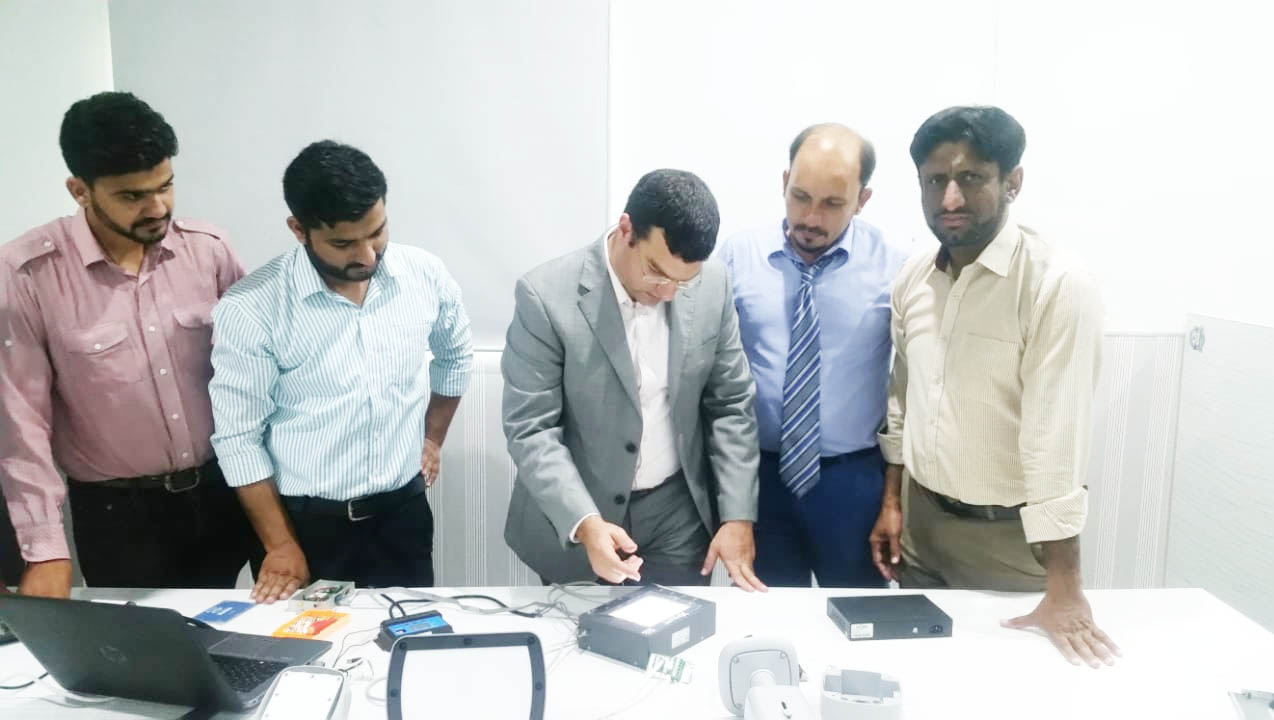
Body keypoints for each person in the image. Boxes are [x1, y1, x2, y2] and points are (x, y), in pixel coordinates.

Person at [869, 106, 1120, 666]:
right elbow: (902, 399)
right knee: (922, 676)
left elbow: (1057, 444)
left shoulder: (1056, 284)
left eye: (971, 178)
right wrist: (893, 503)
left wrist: (1065, 587)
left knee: (1005, 685)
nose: (950, 199)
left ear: (1013, 182)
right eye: (935, 181)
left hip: (1007, 544)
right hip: (921, 532)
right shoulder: (913, 278)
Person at [0, 91, 253, 597]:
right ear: (80, 191)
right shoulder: (27, 274)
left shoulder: (208, 251)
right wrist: (45, 548)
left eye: (165, 186)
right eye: (132, 196)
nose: (157, 208)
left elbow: (256, 376)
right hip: (119, 516)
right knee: (137, 642)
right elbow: (20, 423)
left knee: (239, 629)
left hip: (222, 492)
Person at [209, 140, 473, 603]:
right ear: (299, 229)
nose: (367, 255)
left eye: (377, 232)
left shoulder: (424, 274)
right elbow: (238, 439)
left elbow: (455, 356)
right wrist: (280, 544)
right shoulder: (252, 308)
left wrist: (432, 439)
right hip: (305, 526)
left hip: (402, 516)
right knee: (307, 646)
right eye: (343, 243)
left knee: (408, 633)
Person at [501, 169, 766, 591]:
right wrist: (585, 522)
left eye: (683, 282)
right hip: (582, 511)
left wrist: (737, 515)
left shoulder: (714, 284)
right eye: (656, 272)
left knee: (674, 628)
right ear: (626, 230)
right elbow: (531, 429)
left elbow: (731, 404)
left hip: (676, 518)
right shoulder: (546, 296)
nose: (667, 293)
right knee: (578, 628)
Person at [719, 124, 906, 588]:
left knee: (860, 615)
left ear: (862, 200)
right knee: (770, 616)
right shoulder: (737, 258)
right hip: (760, 481)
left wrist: (893, 497)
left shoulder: (895, 267)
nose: (811, 217)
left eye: (833, 203)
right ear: (784, 182)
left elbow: (910, 388)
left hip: (852, 484)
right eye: (800, 196)